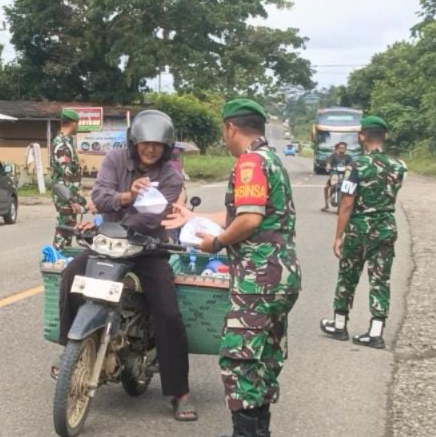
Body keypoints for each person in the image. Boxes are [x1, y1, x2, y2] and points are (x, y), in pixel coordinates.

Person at [163, 99, 301, 437]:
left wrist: (217, 243)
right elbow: (243, 214)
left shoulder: (249, 162)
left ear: (231, 128)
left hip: (258, 280)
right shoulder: (270, 160)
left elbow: (249, 220)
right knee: (264, 360)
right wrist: (192, 217)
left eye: (224, 132)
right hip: (280, 277)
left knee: (239, 363)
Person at [55, 110, 198, 421]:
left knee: (169, 313)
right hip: (108, 242)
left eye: (157, 145)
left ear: (166, 147)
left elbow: (152, 218)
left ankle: (179, 392)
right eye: (145, 144)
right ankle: (70, 351)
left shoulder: (171, 176)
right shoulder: (115, 160)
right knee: (69, 276)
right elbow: (100, 196)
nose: (150, 149)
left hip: (149, 248)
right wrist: (126, 196)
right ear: (134, 143)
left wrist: (123, 213)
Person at [320, 116, 407, 349]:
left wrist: (338, 236)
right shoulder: (399, 166)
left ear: (361, 137)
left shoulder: (356, 166)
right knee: (380, 279)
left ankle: (339, 324)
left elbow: (346, 203)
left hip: (359, 228)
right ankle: (376, 331)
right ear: (385, 136)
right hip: (386, 226)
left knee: (348, 275)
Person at [51, 109, 85, 250]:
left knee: (68, 229)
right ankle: (56, 259)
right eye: (77, 124)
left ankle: (62, 261)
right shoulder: (63, 145)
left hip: (66, 194)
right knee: (64, 230)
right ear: (73, 123)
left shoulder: (63, 141)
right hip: (65, 194)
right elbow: (66, 174)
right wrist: (72, 200)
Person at [321, 141, 353, 212]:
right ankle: (326, 205)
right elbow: (329, 162)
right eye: (340, 148)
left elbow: (351, 164)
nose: (342, 149)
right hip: (334, 174)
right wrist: (328, 166)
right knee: (326, 188)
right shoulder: (333, 156)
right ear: (337, 148)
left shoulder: (348, 157)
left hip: (345, 175)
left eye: (343, 148)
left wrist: (350, 167)